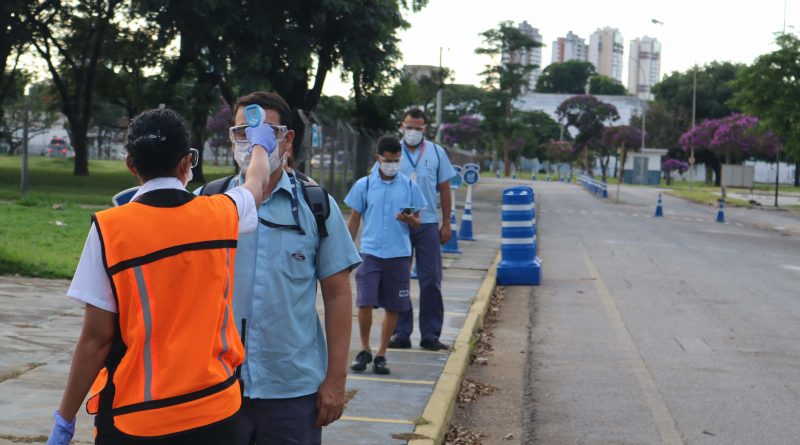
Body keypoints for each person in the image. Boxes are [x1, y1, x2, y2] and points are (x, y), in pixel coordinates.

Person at [46, 107, 274, 445]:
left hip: (138, 421)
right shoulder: (222, 213)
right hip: (215, 412)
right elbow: (257, 182)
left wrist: (64, 420)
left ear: (130, 164)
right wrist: (259, 145)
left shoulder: (111, 230)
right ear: (187, 162)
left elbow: (97, 339)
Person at [198, 91, 361, 445]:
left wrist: (336, 380)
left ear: (287, 139)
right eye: (243, 133)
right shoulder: (208, 204)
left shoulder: (316, 205)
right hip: (217, 386)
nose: (253, 143)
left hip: (292, 391)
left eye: (266, 134)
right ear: (231, 138)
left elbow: (337, 295)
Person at [345, 136, 427, 375]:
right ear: (377, 158)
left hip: (399, 254)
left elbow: (418, 223)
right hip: (370, 252)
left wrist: (410, 219)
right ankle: (364, 349)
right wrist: (346, 250)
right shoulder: (365, 185)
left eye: (396, 161)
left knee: (394, 305)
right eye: (388, 160)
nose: (392, 164)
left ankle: (381, 353)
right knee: (365, 302)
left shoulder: (409, 186)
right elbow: (354, 218)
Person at [383, 108, 456, 351]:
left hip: (427, 224)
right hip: (399, 224)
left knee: (431, 280)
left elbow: (445, 189)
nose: (412, 132)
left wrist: (447, 223)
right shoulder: (393, 152)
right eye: (409, 127)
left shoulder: (436, 152)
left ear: (425, 129)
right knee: (399, 279)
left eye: (417, 128)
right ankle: (401, 332)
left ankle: (431, 334)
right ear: (401, 126)